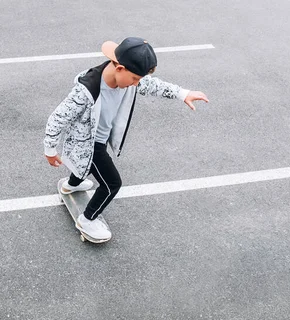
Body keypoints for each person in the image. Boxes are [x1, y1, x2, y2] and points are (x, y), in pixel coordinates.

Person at [44, 37, 209, 241]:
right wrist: (50, 150)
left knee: (86, 166)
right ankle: (87, 220)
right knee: (112, 183)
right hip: (87, 144)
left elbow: (152, 85)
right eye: (134, 79)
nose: (137, 84)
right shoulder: (86, 91)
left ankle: (71, 185)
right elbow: (57, 118)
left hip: (99, 138)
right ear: (119, 68)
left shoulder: (127, 79)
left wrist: (183, 93)